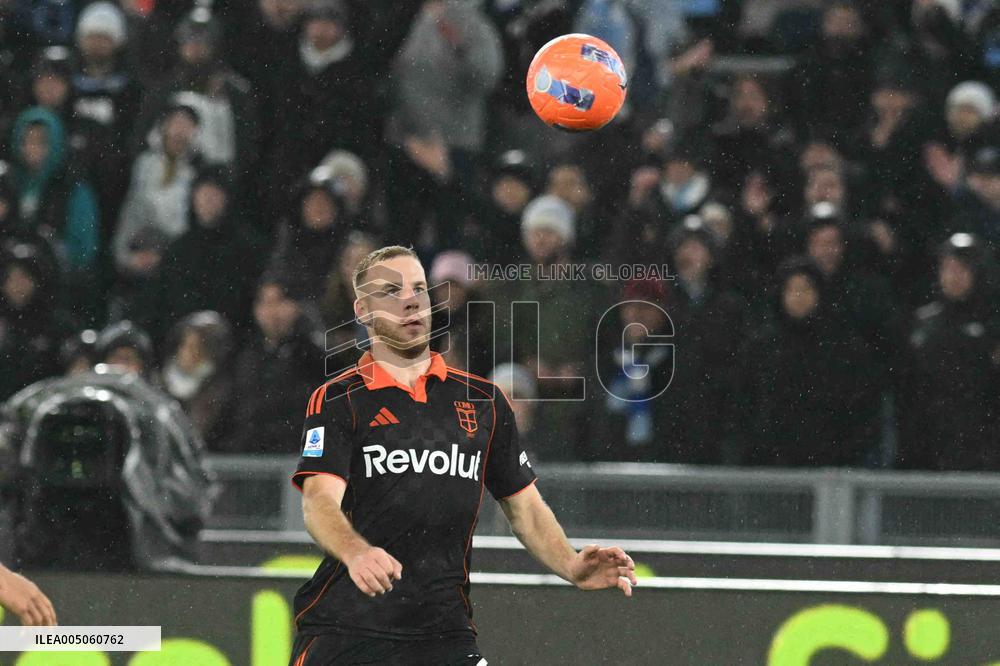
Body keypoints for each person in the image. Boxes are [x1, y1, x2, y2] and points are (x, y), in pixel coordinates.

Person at [288, 245, 636, 665]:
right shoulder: (339, 399)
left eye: (418, 287)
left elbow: (523, 505)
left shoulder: (485, 401)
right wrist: (355, 551)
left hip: (444, 633)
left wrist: (571, 564)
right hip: (347, 630)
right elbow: (318, 501)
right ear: (362, 310)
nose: (411, 299)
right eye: (391, 290)